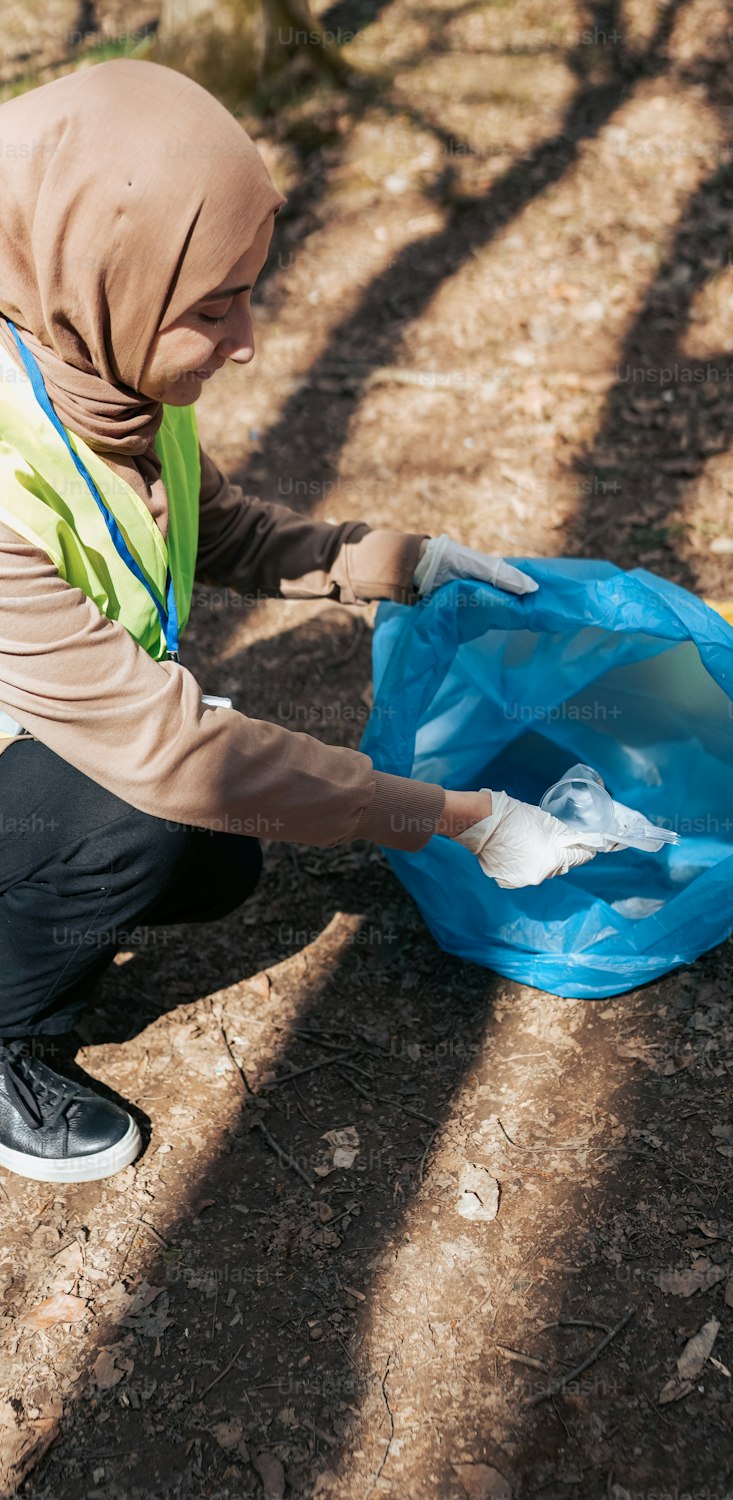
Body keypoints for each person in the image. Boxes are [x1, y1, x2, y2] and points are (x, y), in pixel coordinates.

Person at [0, 60, 614, 1185]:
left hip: (51, 733)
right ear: (105, 282)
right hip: (57, 754)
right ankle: (8, 1038)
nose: (246, 340)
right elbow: (165, 750)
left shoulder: (97, 373)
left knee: (217, 856)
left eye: (249, 291)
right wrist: (461, 818)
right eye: (212, 306)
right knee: (139, 811)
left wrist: (396, 562)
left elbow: (215, 525)